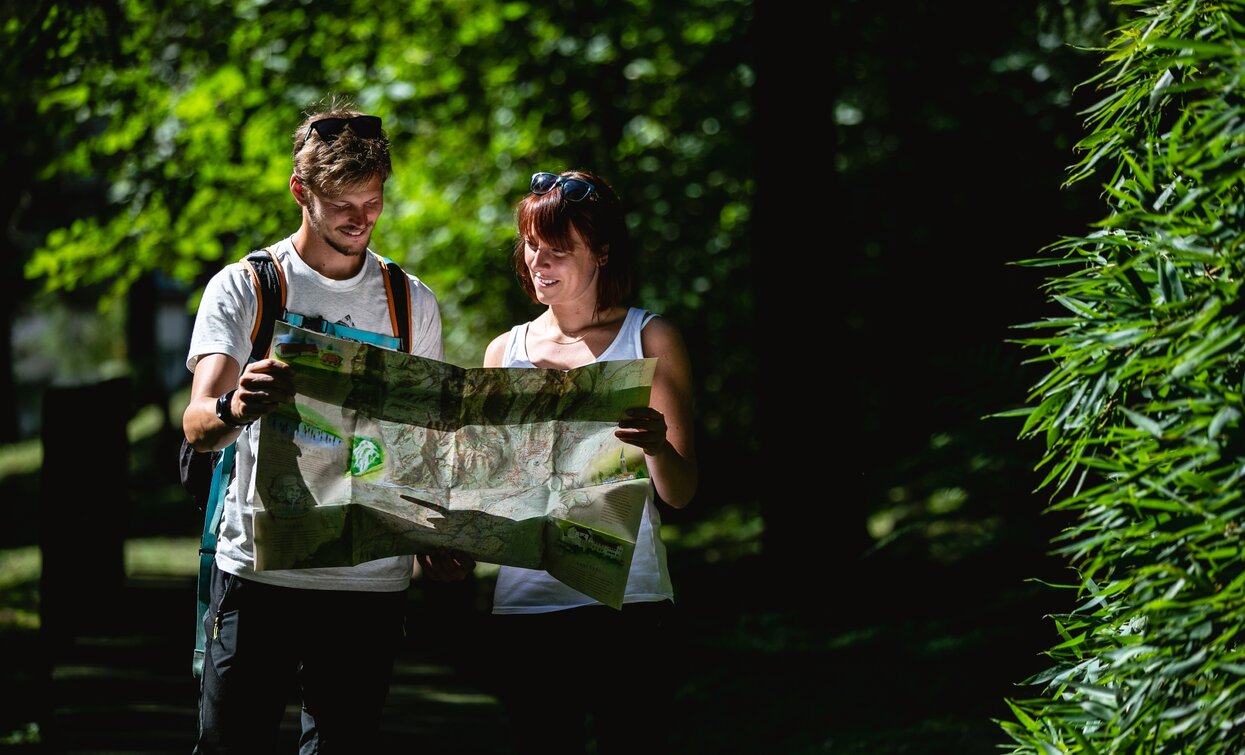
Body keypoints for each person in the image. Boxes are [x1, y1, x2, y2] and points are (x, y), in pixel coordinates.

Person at [182, 102, 467, 753]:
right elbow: (198, 423)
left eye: (373, 201)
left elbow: (416, 442)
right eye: (342, 202)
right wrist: (236, 404)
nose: (360, 218)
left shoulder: (408, 300)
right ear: (300, 192)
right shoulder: (248, 287)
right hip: (259, 576)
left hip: (367, 582)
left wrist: (437, 533)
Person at [482, 169, 699, 754]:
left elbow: (680, 492)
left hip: (629, 600)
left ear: (602, 253)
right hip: (529, 601)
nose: (538, 262)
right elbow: (496, 486)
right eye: (531, 246)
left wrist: (655, 446)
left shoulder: (648, 338)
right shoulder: (506, 352)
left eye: (558, 250)